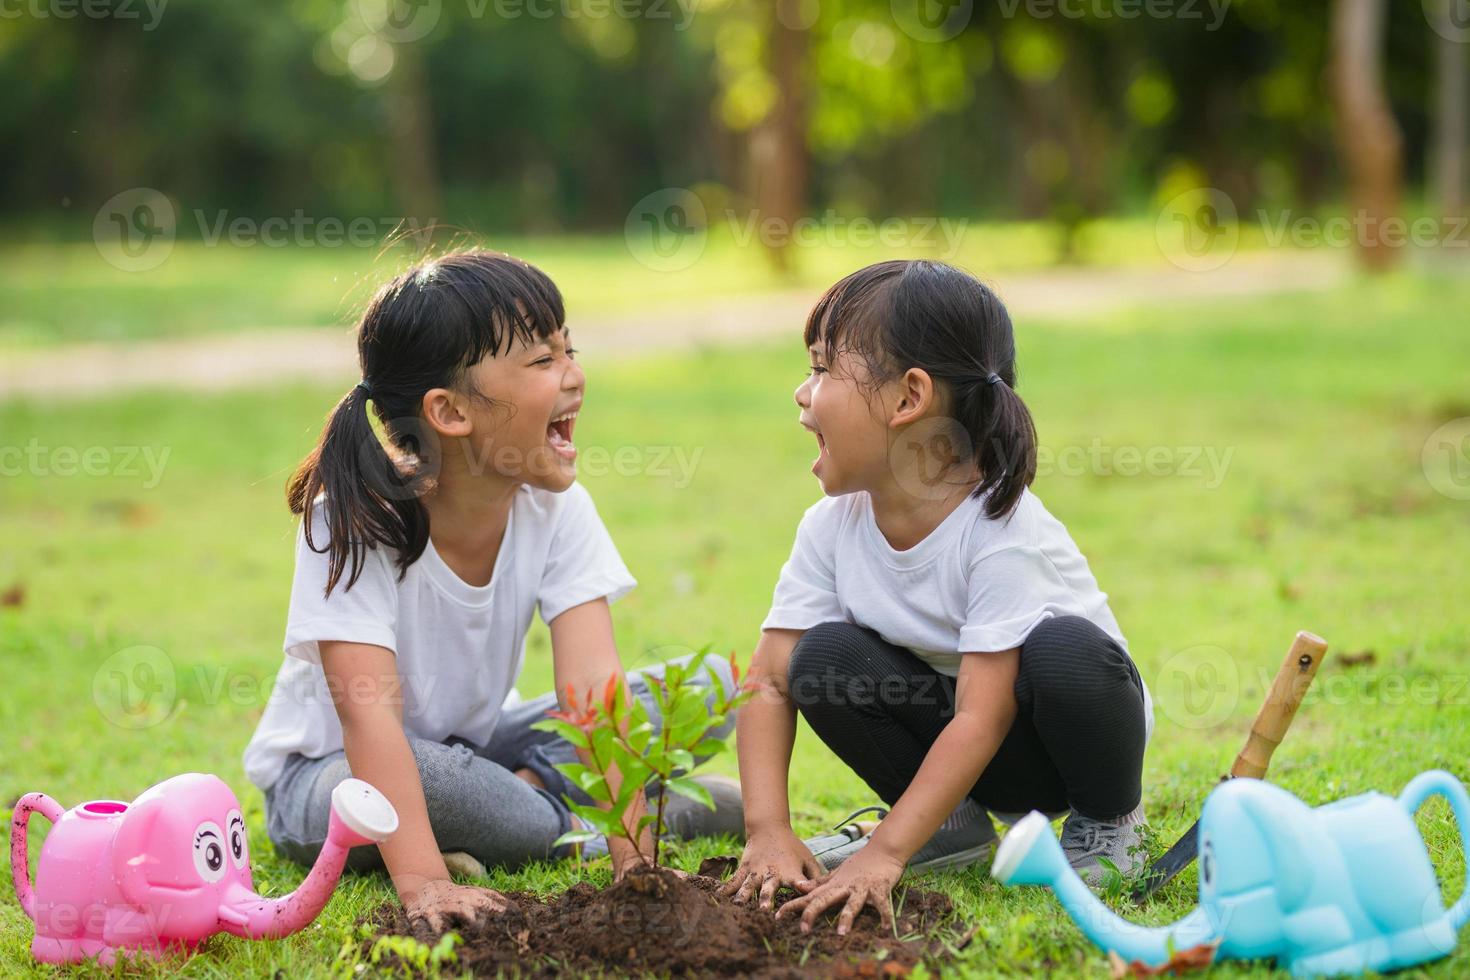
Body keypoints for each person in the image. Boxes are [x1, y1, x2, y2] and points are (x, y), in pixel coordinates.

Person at [242, 250, 741, 930]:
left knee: (707, 684)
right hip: (332, 779)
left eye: (571, 349)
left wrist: (636, 861)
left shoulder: (556, 509)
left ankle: (534, 806)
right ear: (449, 412)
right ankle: (563, 816)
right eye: (543, 362)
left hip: (479, 747)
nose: (575, 377)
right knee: (435, 779)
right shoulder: (354, 519)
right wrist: (423, 884)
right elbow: (369, 719)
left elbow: (595, 699)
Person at [723, 259, 1152, 934]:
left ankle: (1109, 822)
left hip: (1060, 748)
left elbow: (983, 716)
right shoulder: (830, 528)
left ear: (907, 399)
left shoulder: (1000, 531)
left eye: (822, 370)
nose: (802, 395)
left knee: (1063, 650)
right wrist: (768, 829)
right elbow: (770, 682)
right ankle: (948, 828)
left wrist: (883, 856)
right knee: (821, 656)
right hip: (971, 753)